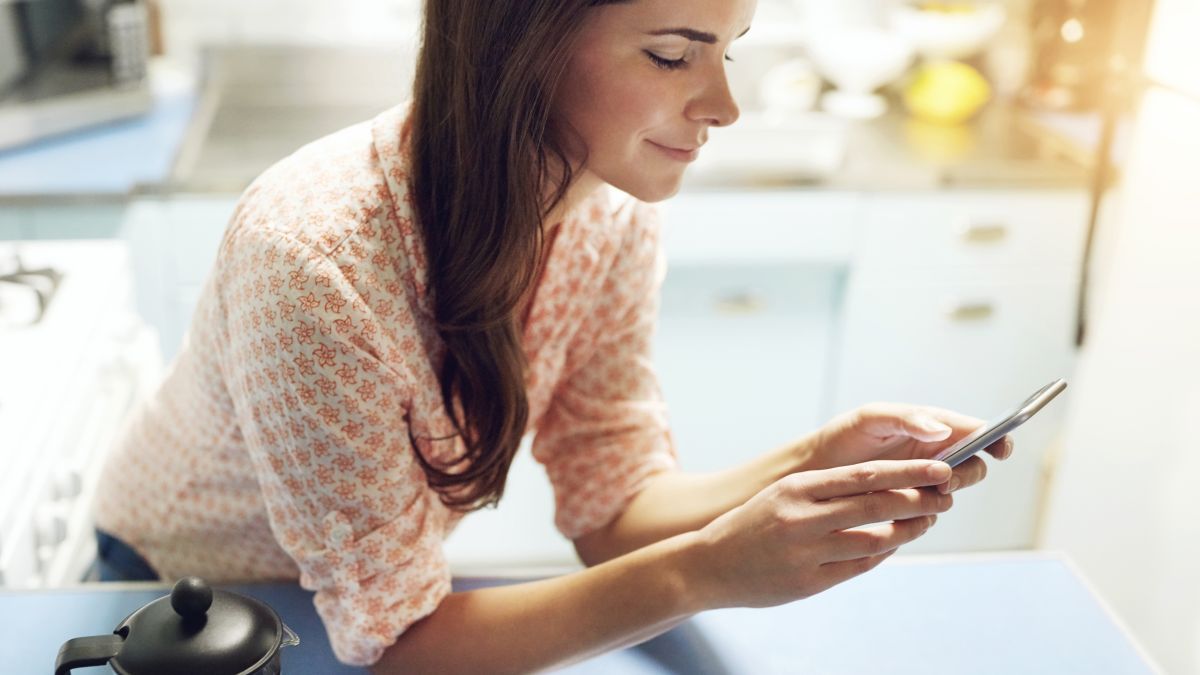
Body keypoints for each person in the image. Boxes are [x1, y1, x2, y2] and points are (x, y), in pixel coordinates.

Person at [90, 0, 1013, 671]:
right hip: (180, 603)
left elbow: (615, 507)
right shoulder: (314, 260)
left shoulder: (607, 213)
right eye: (672, 56)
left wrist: (817, 458)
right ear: (524, 45)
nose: (725, 106)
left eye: (729, 50)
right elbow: (400, 647)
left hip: (355, 602)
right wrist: (708, 570)